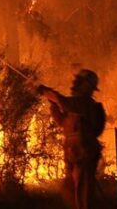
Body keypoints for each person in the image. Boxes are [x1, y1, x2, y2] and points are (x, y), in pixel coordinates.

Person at [38, 69, 107, 209]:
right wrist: (53, 104)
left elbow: (64, 102)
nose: (74, 84)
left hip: (84, 154)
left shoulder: (85, 103)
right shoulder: (75, 106)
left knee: (83, 194)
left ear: (87, 86)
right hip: (74, 155)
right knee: (71, 193)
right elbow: (63, 123)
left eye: (78, 81)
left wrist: (48, 93)